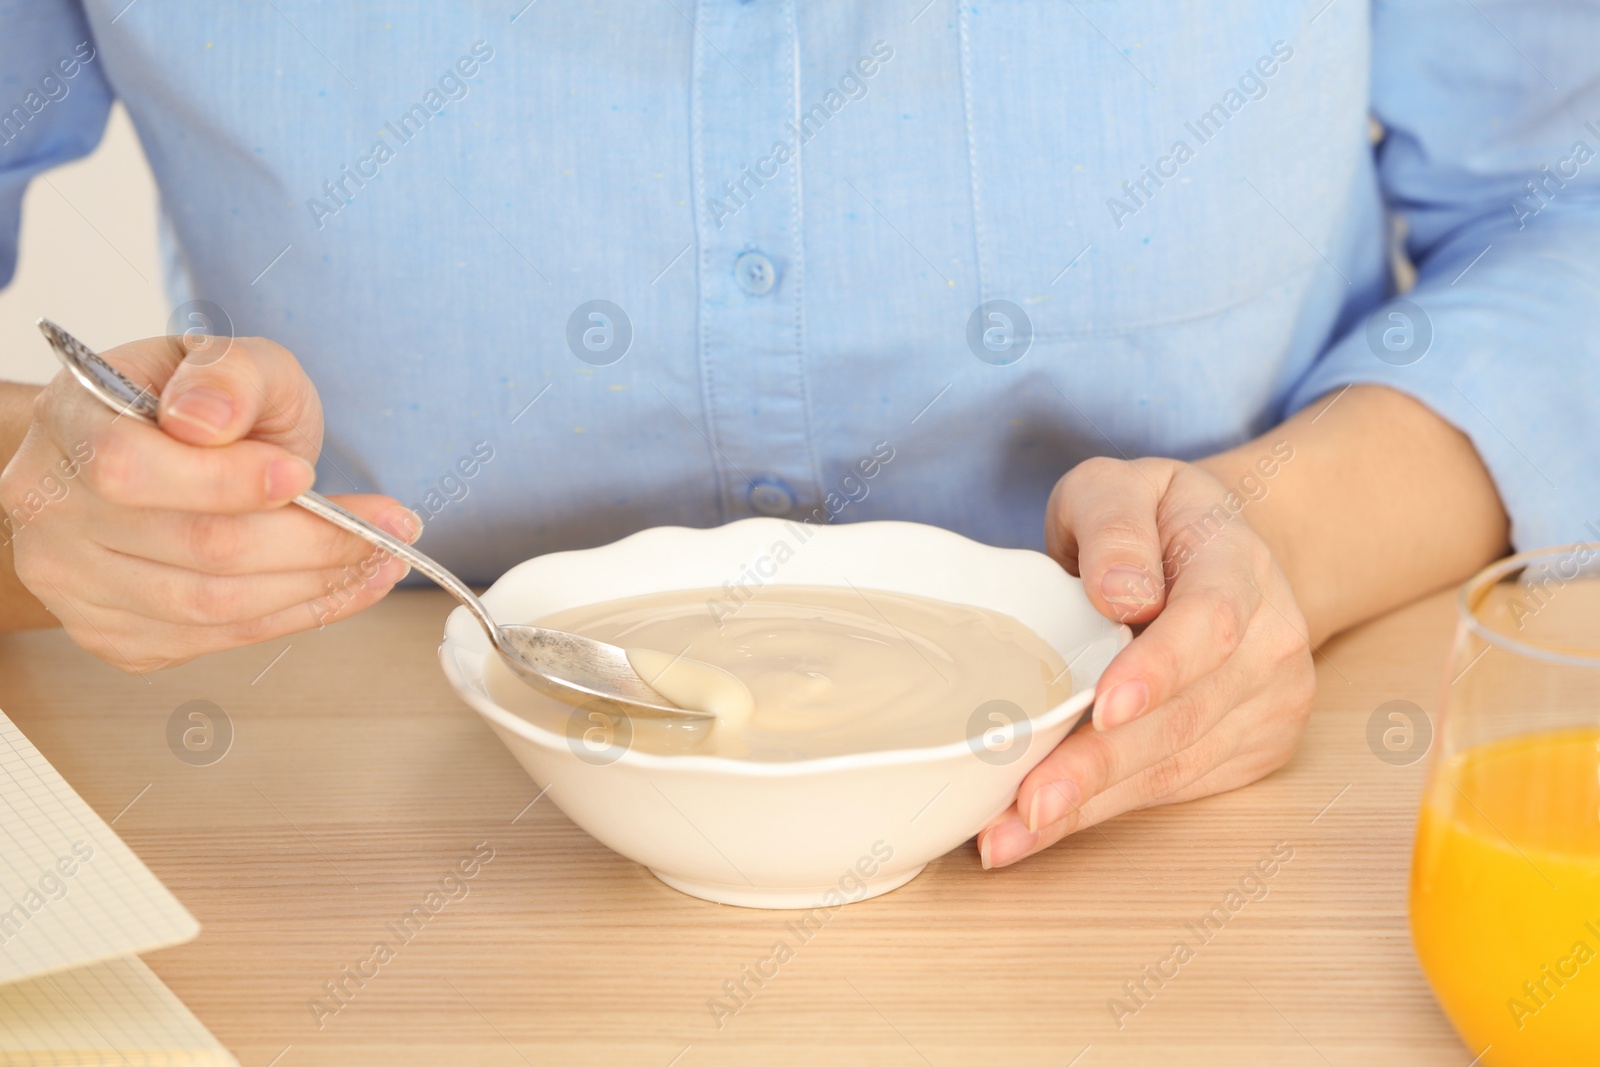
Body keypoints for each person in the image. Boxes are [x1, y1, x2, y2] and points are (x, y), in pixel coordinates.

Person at [0, 4, 1593, 872]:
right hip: (353, 843)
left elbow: (1562, 218)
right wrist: (40, 509)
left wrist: (1275, 541)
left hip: (1204, 830)